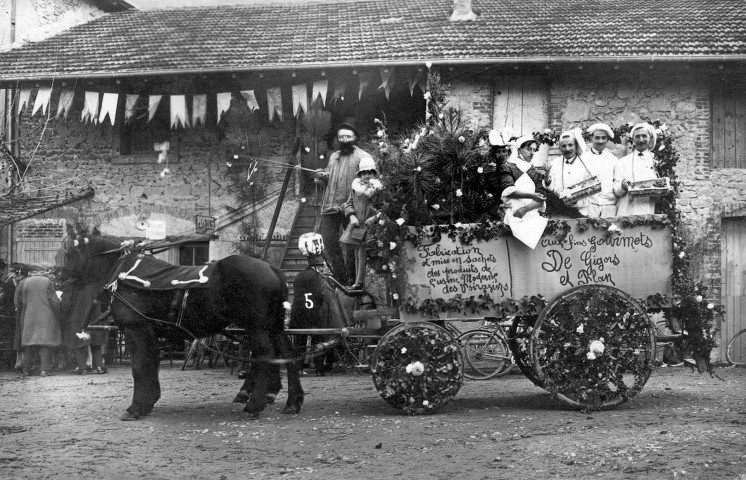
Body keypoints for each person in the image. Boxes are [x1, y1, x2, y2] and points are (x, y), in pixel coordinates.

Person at [314, 119, 374, 285]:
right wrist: (323, 176)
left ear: (355, 137)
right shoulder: (334, 157)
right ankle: (342, 279)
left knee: (351, 245)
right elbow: (333, 177)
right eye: (341, 137)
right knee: (328, 243)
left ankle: (353, 281)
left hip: (351, 209)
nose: (344, 139)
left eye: (348, 136)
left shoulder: (363, 157)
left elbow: (370, 182)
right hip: (330, 207)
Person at [498, 135, 548, 249]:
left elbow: (542, 196)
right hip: (513, 213)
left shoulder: (535, 172)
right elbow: (508, 189)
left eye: (534, 150)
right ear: (519, 149)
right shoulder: (508, 167)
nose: (532, 153)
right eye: (528, 149)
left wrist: (526, 209)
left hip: (531, 214)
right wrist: (530, 195)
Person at [341, 156, 381, 290]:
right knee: (358, 252)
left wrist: (375, 217)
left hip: (372, 227)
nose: (367, 176)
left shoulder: (378, 189)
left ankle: (363, 283)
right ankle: (358, 282)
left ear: (374, 174)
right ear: (360, 174)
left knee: (366, 253)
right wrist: (352, 216)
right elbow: (348, 203)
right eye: (364, 173)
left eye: (370, 172)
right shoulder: (356, 188)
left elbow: (384, 207)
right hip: (358, 225)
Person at [14, 269, 62, 376]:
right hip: (46, 315)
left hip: (29, 315)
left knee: (30, 344)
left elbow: (18, 301)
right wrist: (58, 312)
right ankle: (44, 370)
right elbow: (53, 300)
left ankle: (26, 370)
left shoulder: (23, 282)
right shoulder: (47, 281)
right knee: (45, 343)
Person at [613, 123, 660, 216]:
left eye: (644, 136)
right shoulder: (622, 162)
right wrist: (622, 185)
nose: (641, 140)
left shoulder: (658, 161)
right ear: (633, 140)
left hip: (649, 209)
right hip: (627, 210)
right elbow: (616, 191)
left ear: (650, 138)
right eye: (637, 136)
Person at [546, 129, 594, 217]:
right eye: (563, 146)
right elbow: (550, 189)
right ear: (559, 147)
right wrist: (547, 183)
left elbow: (593, 192)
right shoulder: (554, 164)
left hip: (581, 213)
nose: (567, 149)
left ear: (576, 145)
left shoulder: (587, 164)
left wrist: (576, 201)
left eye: (570, 145)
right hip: (558, 213)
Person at [581, 123, 619, 217]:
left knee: (611, 230)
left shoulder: (613, 159)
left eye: (603, 138)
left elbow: (617, 182)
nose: (600, 141)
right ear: (591, 139)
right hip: (589, 204)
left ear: (607, 140)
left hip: (609, 205)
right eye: (597, 138)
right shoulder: (583, 159)